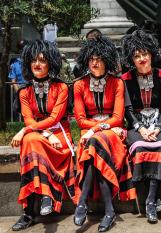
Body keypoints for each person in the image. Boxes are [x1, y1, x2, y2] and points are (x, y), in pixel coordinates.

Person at [10, 40, 76, 231]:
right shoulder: (24, 91)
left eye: (42, 60)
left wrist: (26, 130)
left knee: (30, 140)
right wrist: (42, 133)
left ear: (50, 63)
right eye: (33, 61)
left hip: (60, 134)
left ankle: (29, 212)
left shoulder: (61, 88)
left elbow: (55, 117)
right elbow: (29, 120)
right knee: (32, 141)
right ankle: (45, 198)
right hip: (42, 135)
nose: (37, 64)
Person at [73, 36, 136, 232]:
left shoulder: (117, 83)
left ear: (107, 59)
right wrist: (94, 128)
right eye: (91, 58)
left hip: (112, 132)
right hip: (94, 133)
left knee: (94, 142)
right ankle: (109, 211)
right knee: (94, 145)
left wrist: (94, 129)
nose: (94, 62)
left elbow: (118, 118)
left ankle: (82, 202)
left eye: (99, 58)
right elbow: (80, 119)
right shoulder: (79, 85)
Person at [120, 29, 161, 223]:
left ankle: (150, 201)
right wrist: (141, 129)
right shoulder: (125, 80)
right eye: (136, 56)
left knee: (160, 147)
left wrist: (157, 128)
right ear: (131, 59)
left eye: (144, 54)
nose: (142, 59)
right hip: (136, 126)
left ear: (152, 54)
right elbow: (127, 109)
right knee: (140, 148)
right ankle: (152, 200)